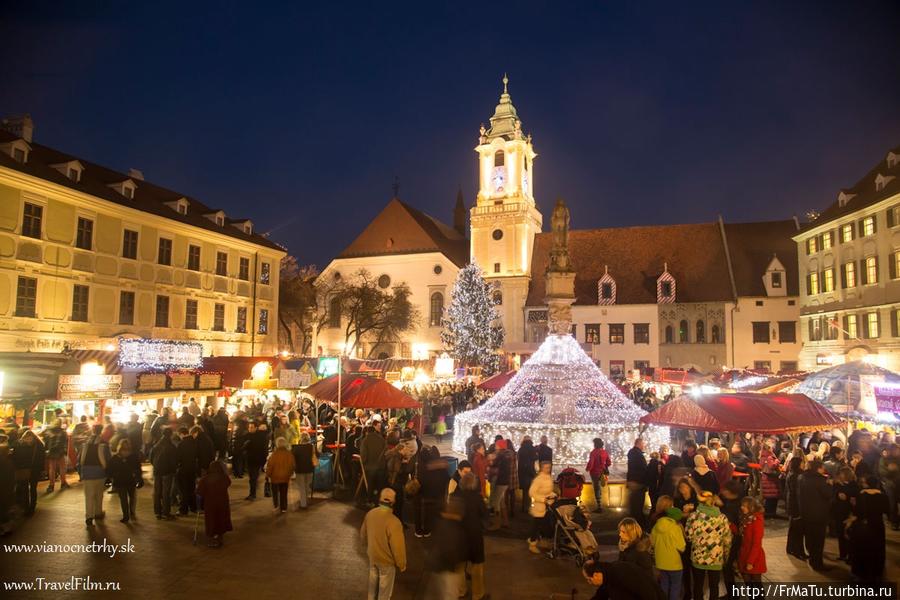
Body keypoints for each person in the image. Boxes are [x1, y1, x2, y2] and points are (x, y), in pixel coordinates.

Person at [360, 488, 407, 600]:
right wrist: (402, 563)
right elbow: (398, 547)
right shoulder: (394, 522)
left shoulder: (370, 514)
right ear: (393, 502)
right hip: (386, 562)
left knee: (372, 585)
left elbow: (363, 535)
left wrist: (368, 547)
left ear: (380, 499)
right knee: (384, 592)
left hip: (373, 557)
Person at [685, 491, 732, 600]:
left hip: (698, 557)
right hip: (716, 557)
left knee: (698, 585)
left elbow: (688, 537)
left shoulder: (694, 517)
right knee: (714, 586)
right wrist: (726, 556)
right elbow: (727, 540)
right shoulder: (722, 518)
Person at [848, 475, 889, 581]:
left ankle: (861, 572)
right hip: (877, 525)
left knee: (862, 549)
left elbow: (858, 511)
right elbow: (887, 510)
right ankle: (876, 572)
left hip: (863, 526)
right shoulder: (883, 496)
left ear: (867, 484)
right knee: (877, 549)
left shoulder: (861, 495)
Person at [797, 459, 831, 571]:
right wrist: (830, 485)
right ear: (818, 468)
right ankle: (817, 563)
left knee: (810, 538)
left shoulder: (801, 478)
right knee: (818, 541)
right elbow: (828, 495)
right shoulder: (821, 480)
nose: (824, 469)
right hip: (819, 514)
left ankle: (812, 558)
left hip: (805, 512)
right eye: (822, 467)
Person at [457, 472, 487, 600]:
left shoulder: (455, 496)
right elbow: (485, 516)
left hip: (458, 536)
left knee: (459, 566)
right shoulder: (478, 498)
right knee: (477, 566)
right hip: (474, 536)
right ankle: (477, 594)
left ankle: (460, 591)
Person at [582, 560, 666, 600]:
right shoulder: (607, 576)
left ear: (596, 575)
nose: (589, 583)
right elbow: (600, 596)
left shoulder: (620, 572)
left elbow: (647, 592)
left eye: (589, 579)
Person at [651, 505, 686, 600]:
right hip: (674, 564)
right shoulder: (675, 528)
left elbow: (652, 543)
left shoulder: (656, 526)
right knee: (675, 587)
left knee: (664, 585)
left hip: (660, 563)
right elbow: (682, 547)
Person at [196, 459, 232, 547]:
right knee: (221, 518)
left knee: (211, 519)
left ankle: (212, 538)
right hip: (222, 502)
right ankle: (220, 537)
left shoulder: (205, 479)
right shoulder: (224, 477)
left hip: (210, 503)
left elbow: (199, 492)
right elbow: (228, 483)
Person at [106, 438, 141, 523]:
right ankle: (129, 514)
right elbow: (137, 468)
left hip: (122, 481)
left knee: (125, 499)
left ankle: (127, 515)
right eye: (124, 449)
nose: (126, 452)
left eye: (127, 450)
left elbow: (109, 469)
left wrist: (112, 476)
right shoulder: (132, 457)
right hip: (126, 481)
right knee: (129, 498)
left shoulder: (116, 458)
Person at [80, 424, 107, 527]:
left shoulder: (86, 443)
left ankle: (89, 517)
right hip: (100, 472)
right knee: (99, 494)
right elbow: (107, 458)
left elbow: (80, 459)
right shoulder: (104, 443)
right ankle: (98, 512)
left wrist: (81, 472)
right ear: (101, 431)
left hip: (87, 472)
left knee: (89, 496)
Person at [12, 429, 44, 516]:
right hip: (34, 469)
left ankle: (27, 508)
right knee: (32, 488)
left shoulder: (19, 444)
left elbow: (15, 457)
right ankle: (31, 507)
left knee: (26, 488)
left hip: (25, 469)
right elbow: (42, 459)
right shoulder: (39, 444)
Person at [737, 496, 766, 585]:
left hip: (753, 558)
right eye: (742, 505)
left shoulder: (756, 520)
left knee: (756, 586)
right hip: (744, 555)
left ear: (752, 507)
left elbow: (757, 543)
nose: (742, 508)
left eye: (745, 506)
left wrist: (750, 561)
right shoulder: (746, 518)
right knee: (749, 585)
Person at [832, 466, 858, 562]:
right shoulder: (837, 485)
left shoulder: (854, 484)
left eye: (842, 474)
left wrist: (845, 495)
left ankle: (851, 556)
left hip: (849, 513)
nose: (840, 475)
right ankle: (843, 554)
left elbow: (854, 496)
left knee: (849, 534)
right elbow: (834, 494)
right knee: (840, 534)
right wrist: (838, 494)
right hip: (839, 512)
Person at [527, 461, 554, 554]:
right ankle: (532, 543)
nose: (548, 469)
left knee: (544, 525)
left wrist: (553, 495)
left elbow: (548, 490)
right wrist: (543, 499)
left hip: (546, 506)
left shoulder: (548, 477)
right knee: (536, 526)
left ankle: (538, 540)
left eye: (549, 467)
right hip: (538, 507)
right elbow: (531, 492)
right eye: (546, 467)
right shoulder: (538, 479)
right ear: (541, 468)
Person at [150, 427, 177, 519]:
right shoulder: (171, 446)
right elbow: (174, 461)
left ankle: (157, 512)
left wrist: (155, 465)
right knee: (166, 492)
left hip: (157, 471)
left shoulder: (156, 445)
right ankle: (166, 512)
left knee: (157, 491)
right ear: (171, 434)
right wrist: (174, 470)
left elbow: (151, 458)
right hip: (167, 472)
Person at [265, 437, 296, 514]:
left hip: (275, 478)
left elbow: (270, 466)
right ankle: (284, 508)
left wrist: (267, 475)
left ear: (277, 444)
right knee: (284, 493)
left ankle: (276, 506)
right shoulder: (289, 454)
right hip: (285, 478)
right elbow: (292, 465)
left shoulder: (274, 455)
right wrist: (290, 473)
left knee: (275, 494)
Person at [783, 456, 806, 560]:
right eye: (802, 463)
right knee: (797, 529)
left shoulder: (792, 473)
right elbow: (796, 492)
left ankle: (791, 548)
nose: (804, 464)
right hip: (796, 505)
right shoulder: (797, 475)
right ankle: (798, 550)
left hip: (792, 504)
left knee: (793, 528)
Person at [175, 426, 199, 515]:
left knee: (183, 491)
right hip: (192, 469)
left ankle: (183, 509)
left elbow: (177, 458)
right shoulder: (194, 442)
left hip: (183, 469)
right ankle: (193, 507)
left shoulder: (181, 444)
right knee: (191, 489)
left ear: (181, 434)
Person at [360, 426, 387, 502]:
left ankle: (370, 500)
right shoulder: (381, 439)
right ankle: (379, 501)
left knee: (370, 485)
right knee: (379, 485)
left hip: (370, 467)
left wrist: (363, 463)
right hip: (381, 466)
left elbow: (364, 455)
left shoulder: (365, 440)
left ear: (367, 432)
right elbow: (385, 450)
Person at [291, 431, 317, 509]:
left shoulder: (296, 448)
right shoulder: (312, 447)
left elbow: (293, 459)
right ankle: (305, 500)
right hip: (310, 469)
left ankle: (303, 503)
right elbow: (317, 455)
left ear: (300, 438)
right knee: (307, 485)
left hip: (299, 470)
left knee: (302, 487)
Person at [244, 421, 269, 500]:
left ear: (255, 428)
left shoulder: (260, 437)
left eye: (251, 427)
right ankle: (252, 493)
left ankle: (253, 494)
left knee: (253, 478)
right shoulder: (247, 436)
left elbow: (263, 449)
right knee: (252, 478)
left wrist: (263, 460)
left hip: (256, 460)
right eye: (249, 427)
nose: (250, 429)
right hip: (250, 459)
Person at [43, 419, 70, 493]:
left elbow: (45, 440)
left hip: (51, 451)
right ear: (60, 424)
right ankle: (63, 483)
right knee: (62, 467)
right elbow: (65, 442)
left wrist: (47, 449)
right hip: (60, 451)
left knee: (52, 468)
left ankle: (51, 485)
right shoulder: (62, 432)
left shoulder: (48, 431)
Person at [627, 438, 648, 527]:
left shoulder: (632, 453)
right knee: (638, 503)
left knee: (634, 503)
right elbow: (643, 469)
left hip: (633, 481)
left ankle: (634, 519)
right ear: (639, 444)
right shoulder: (638, 455)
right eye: (643, 444)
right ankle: (637, 523)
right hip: (638, 482)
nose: (644, 446)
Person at [587, 438, 611, 513]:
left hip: (595, 473)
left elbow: (591, 463)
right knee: (599, 488)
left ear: (595, 444)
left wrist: (587, 468)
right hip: (602, 472)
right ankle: (601, 504)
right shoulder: (604, 452)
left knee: (596, 488)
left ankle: (599, 506)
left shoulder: (593, 452)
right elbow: (609, 462)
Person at [759, 443, 781, 518]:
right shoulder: (769, 456)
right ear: (769, 448)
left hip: (766, 478)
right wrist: (777, 461)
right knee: (772, 497)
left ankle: (768, 513)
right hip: (771, 480)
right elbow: (772, 466)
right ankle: (770, 513)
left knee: (769, 497)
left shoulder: (762, 455)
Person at [517, 436, 537, 513]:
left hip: (522, 472)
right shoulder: (532, 449)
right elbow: (535, 458)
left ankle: (524, 507)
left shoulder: (521, 449)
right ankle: (527, 507)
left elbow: (519, 459)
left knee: (525, 491)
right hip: (530, 472)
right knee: (530, 491)